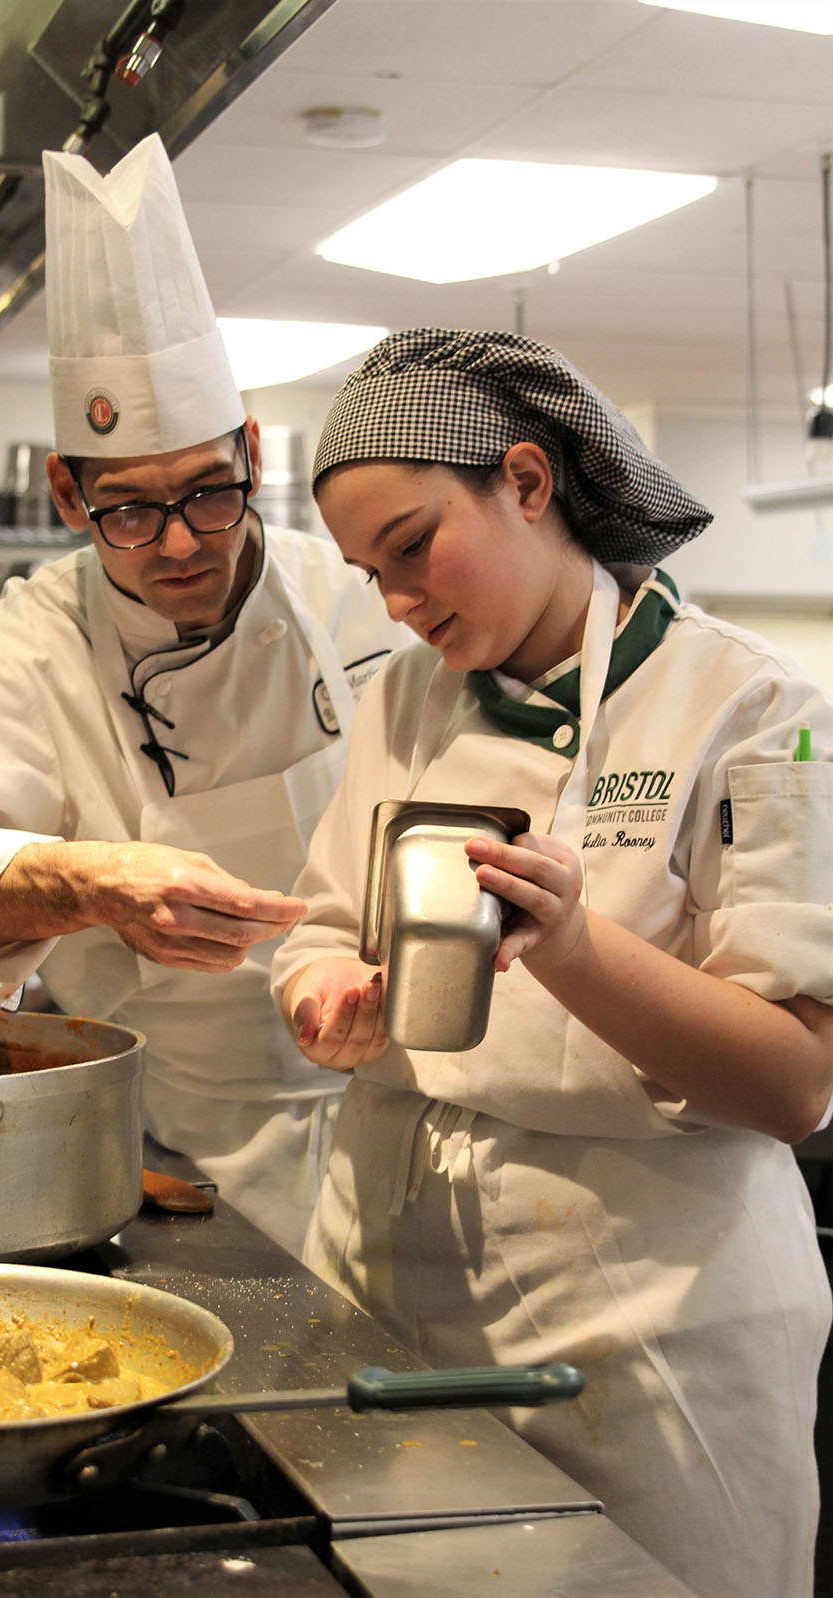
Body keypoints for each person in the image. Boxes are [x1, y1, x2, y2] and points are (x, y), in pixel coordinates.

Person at [271, 327, 833, 1597]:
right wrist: (320, 992)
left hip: (644, 1327)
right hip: (383, 1276)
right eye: (370, 572)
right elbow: (321, 920)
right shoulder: (405, 699)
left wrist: (574, 945)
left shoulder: (747, 710)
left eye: (413, 547)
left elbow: (793, 1081)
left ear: (526, 480)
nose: (399, 601)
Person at [0, 134, 406, 1260]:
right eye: (131, 510)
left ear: (250, 448)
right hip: (185, 1160)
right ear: (64, 492)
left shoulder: (366, 597)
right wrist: (84, 881)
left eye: (208, 491)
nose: (182, 540)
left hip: (408, 1106)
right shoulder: (25, 650)